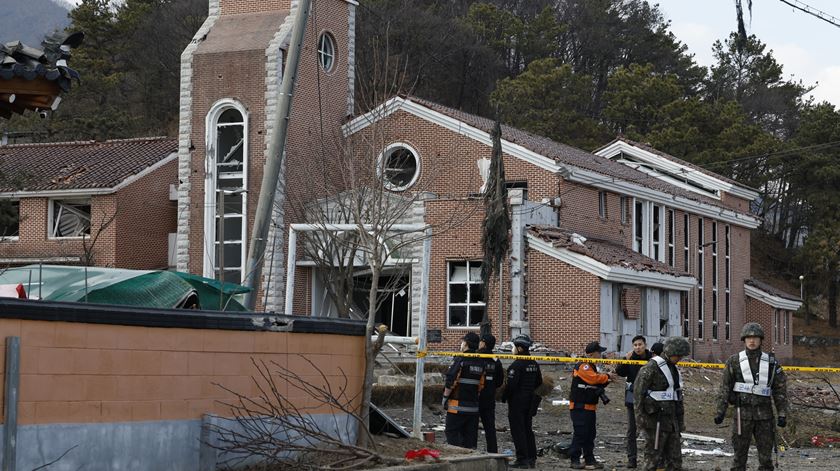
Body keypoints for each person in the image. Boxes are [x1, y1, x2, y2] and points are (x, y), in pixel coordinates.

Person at [714, 322, 788, 471]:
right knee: (739, 457)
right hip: (742, 415)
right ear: (744, 340)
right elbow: (725, 388)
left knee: (766, 459)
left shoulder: (771, 363)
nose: (752, 341)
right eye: (748, 338)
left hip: (765, 417)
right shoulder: (734, 361)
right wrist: (720, 411)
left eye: (755, 338)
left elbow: (780, 390)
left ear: (761, 340)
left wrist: (782, 413)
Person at [634, 337, 689, 471]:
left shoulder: (673, 369)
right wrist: (640, 421)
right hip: (655, 421)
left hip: (671, 421)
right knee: (652, 459)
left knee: (675, 461)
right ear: (671, 352)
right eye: (678, 355)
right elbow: (638, 395)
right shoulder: (651, 368)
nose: (680, 358)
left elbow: (677, 396)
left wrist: (680, 422)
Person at [569, 341, 618, 470]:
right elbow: (593, 379)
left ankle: (589, 459)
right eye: (599, 352)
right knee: (580, 433)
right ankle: (574, 459)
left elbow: (596, 383)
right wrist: (607, 376)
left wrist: (607, 379)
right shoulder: (583, 366)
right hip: (580, 406)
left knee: (590, 434)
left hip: (589, 407)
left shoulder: (591, 366)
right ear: (592, 354)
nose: (600, 355)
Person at [501, 334, 542, 469]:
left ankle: (522, 459)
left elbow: (511, 385)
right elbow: (539, 382)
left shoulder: (516, 364)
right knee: (527, 429)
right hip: (530, 401)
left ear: (519, 348)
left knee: (518, 431)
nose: (513, 350)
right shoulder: (534, 363)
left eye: (514, 347)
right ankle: (531, 458)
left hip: (517, 402)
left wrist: (504, 396)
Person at [616, 335, 653, 468]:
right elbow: (619, 372)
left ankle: (650, 459)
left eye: (640, 344)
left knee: (650, 430)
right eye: (635, 345)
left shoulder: (652, 359)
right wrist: (624, 360)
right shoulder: (630, 358)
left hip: (650, 400)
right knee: (632, 430)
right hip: (632, 399)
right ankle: (632, 459)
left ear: (645, 345)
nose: (638, 347)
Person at [443, 332, 485, 449]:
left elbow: (451, 380)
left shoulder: (460, 359)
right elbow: (481, 385)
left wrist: (445, 398)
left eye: (462, 341)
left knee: (452, 435)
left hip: (456, 407)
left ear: (466, 343)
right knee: (470, 439)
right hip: (473, 408)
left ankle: (457, 459)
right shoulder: (480, 361)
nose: (461, 344)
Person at [478, 333, 504, 453]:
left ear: (483, 343)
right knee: (489, 427)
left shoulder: (476, 357)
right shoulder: (496, 360)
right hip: (489, 397)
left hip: (475, 397)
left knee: (471, 426)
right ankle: (493, 452)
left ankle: (471, 449)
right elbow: (499, 382)